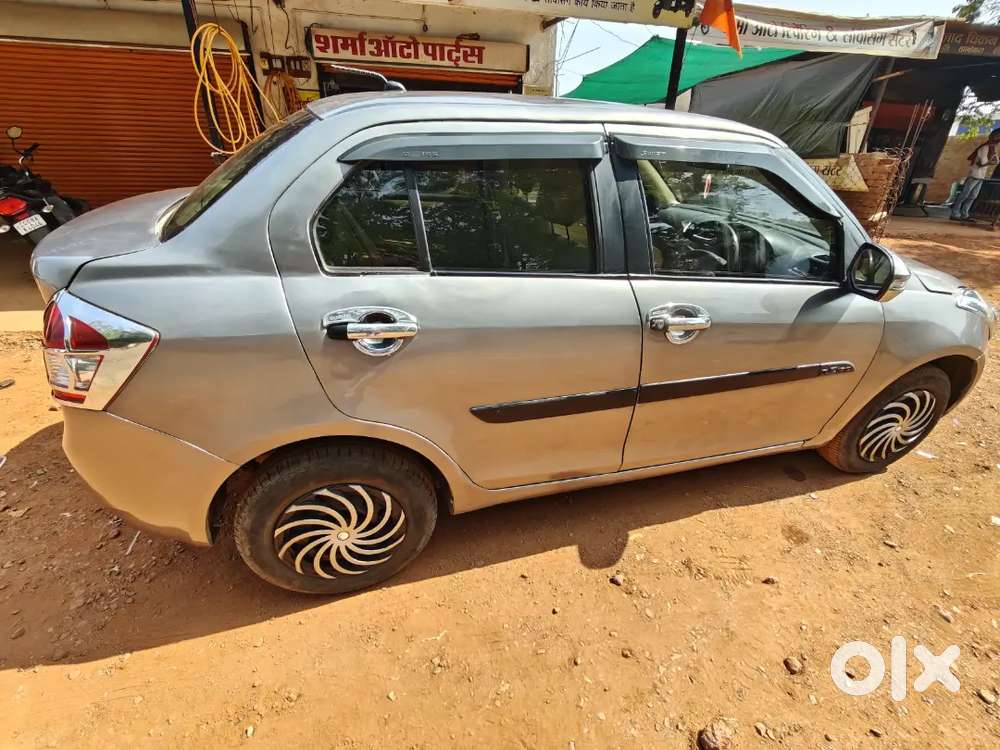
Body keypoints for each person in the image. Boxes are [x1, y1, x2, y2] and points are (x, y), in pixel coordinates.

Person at [951, 128, 1000, 221]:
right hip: (975, 174)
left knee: (973, 196)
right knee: (964, 195)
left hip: (981, 176)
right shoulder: (984, 148)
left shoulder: (992, 149)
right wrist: (990, 162)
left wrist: (992, 160)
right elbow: (982, 163)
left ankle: (965, 214)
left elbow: (996, 161)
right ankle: (955, 213)